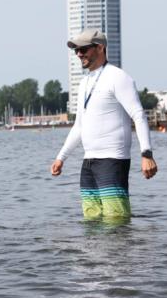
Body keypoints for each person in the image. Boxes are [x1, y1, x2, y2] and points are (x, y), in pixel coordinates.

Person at [50, 29, 157, 220]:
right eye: (76, 51)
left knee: (116, 221)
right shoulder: (84, 83)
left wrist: (146, 154)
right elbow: (79, 126)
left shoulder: (118, 77)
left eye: (83, 49)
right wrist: (61, 157)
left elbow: (138, 116)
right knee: (91, 222)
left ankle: (120, 251)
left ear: (100, 48)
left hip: (112, 160)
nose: (79, 54)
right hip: (89, 162)